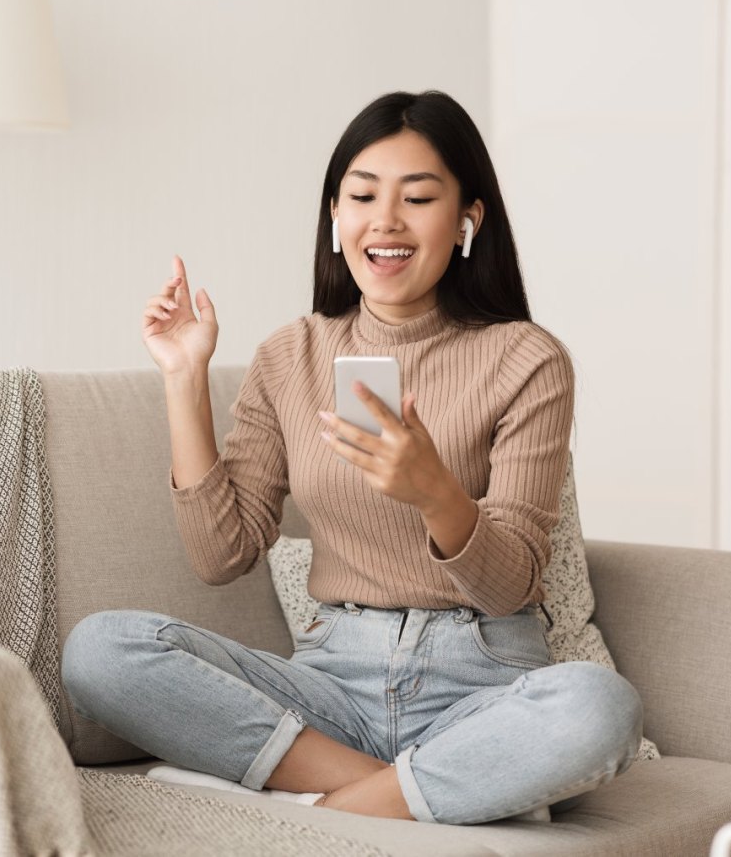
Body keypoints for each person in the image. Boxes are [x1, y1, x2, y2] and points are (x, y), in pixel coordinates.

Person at [61, 90, 643, 824]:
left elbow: (513, 584)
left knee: (600, 706)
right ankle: (422, 793)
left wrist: (436, 493)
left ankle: (324, 811)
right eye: (362, 195)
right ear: (335, 217)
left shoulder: (526, 359)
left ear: (468, 219)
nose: (386, 221)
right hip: (332, 684)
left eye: (419, 197)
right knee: (101, 650)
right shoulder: (290, 355)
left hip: (481, 682)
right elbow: (221, 555)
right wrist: (184, 379)